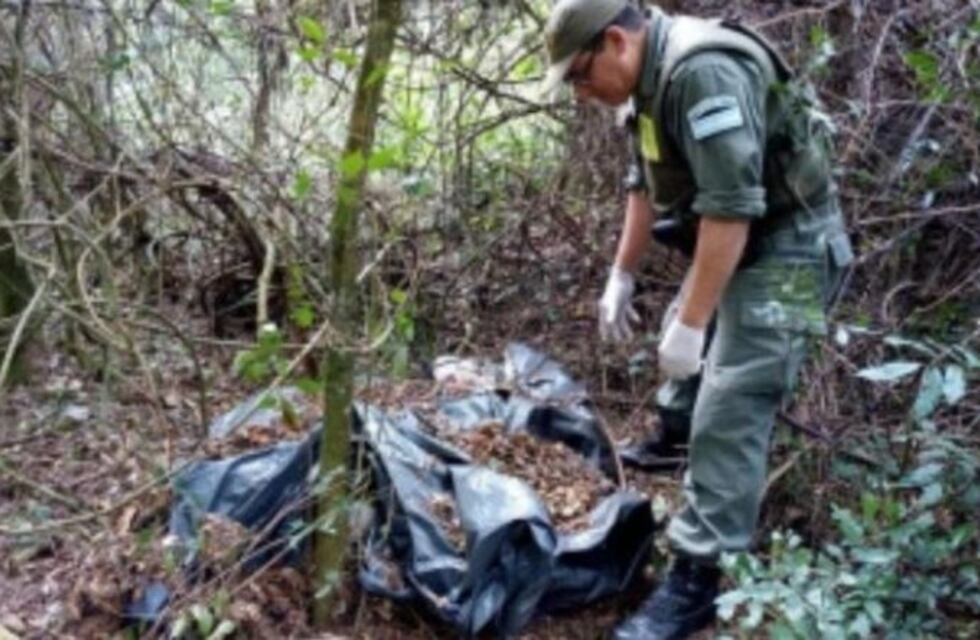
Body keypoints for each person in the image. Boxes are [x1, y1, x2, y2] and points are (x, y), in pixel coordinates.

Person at [541, 1, 854, 638]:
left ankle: (699, 577)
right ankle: (675, 433)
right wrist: (620, 274)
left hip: (791, 247)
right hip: (741, 233)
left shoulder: (701, 72)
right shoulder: (651, 78)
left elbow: (732, 211)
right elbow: (643, 181)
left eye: (579, 75)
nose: (579, 93)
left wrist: (693, 323)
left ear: (615, 42)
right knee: (687, 353)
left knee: (734, 399)